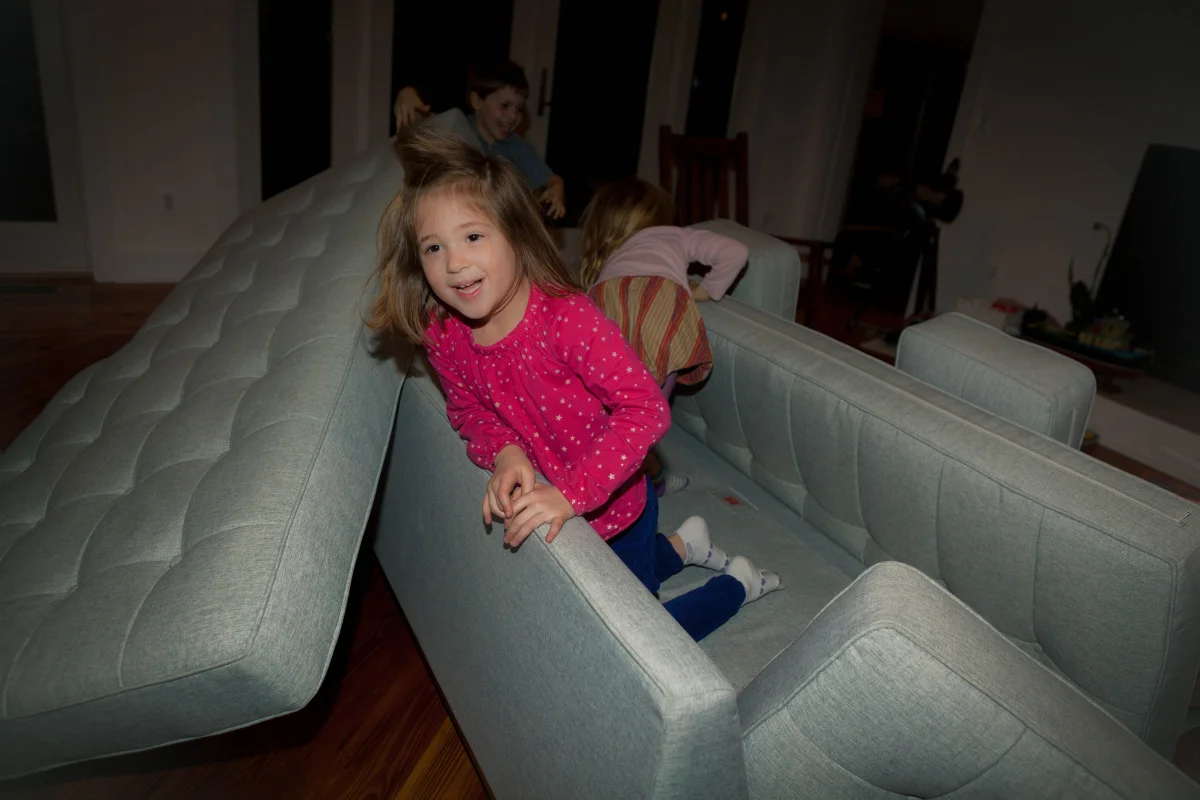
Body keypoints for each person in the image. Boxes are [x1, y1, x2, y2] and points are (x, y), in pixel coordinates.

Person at [367, 127, 781, 641]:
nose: (454, 263)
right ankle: (684, 546)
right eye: (433, 247)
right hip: (560, 513)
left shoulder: (566, 319)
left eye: (473, 236)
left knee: (635, 644)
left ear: (516, 234)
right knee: (600, 606)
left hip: (616, 509)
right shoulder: (442, 334)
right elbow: (469, 411)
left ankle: (738, 583)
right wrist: (505, 453)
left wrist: (570, 494)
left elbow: (647, 410)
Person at [579, 177, 749, 496]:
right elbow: (736, 251)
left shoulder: (610, 261)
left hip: (607, 303)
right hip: (659, 310)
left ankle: (626, 478)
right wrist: (707, 290)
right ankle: (648, 482)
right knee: (644, 417)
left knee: (609, 413)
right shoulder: (674, 234)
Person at [394, 60, 566, 220]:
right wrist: (406, 94)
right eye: (504, 106)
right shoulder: (458, 126)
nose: (513, 116)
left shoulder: (517, 147)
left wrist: (557, 189)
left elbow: (553, 180)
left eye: (519, 109)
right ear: (477, 101)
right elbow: (416, 124)